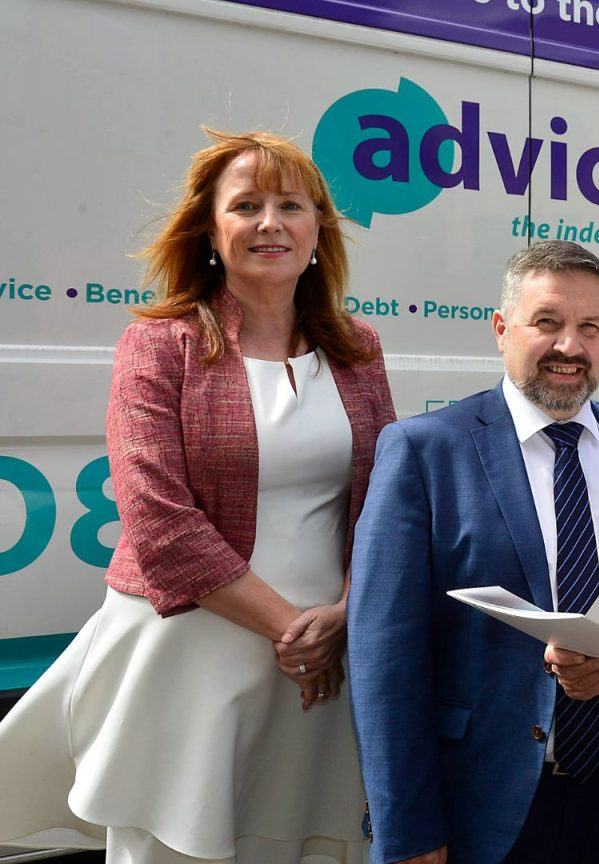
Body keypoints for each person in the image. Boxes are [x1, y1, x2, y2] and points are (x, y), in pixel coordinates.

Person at [0, 128, 395, 863]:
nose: (271, 223)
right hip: (194, 654)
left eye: (291, 205)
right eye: (246, 206)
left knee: (311, 844)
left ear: (319, 230)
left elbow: (384, 504)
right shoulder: (160, 344)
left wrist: (345, 615)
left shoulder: (357, 348)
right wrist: (295, 633)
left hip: (326, 664)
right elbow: (158, 522)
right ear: (211, 232)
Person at [347, 239, 599, 864]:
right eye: (547, 323)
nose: (570, 347)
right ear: (502, 330)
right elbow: (384, 656)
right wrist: (407, 828)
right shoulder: (424, 451)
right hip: (480, 806)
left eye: (590, 327)